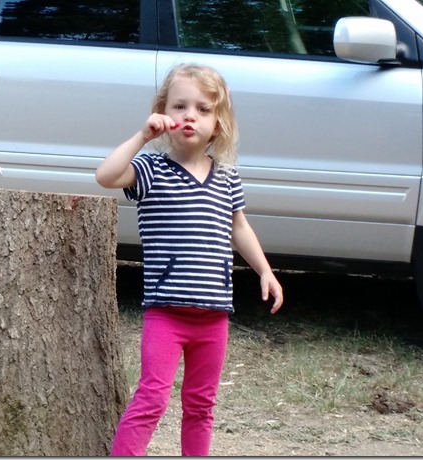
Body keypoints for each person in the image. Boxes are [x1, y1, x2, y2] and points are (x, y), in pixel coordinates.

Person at [95, 63, 284, 456]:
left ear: (218, 124)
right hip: (165, 313)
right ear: (163, 113)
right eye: (179, 106)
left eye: (203, 109)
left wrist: (265, 271)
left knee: (201, 406)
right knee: (152, 398)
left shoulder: (227, 177)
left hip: (214, 315)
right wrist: (142, 136)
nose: (190, 116)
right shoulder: (151, 170)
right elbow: (106, 176)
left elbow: (239, 227)